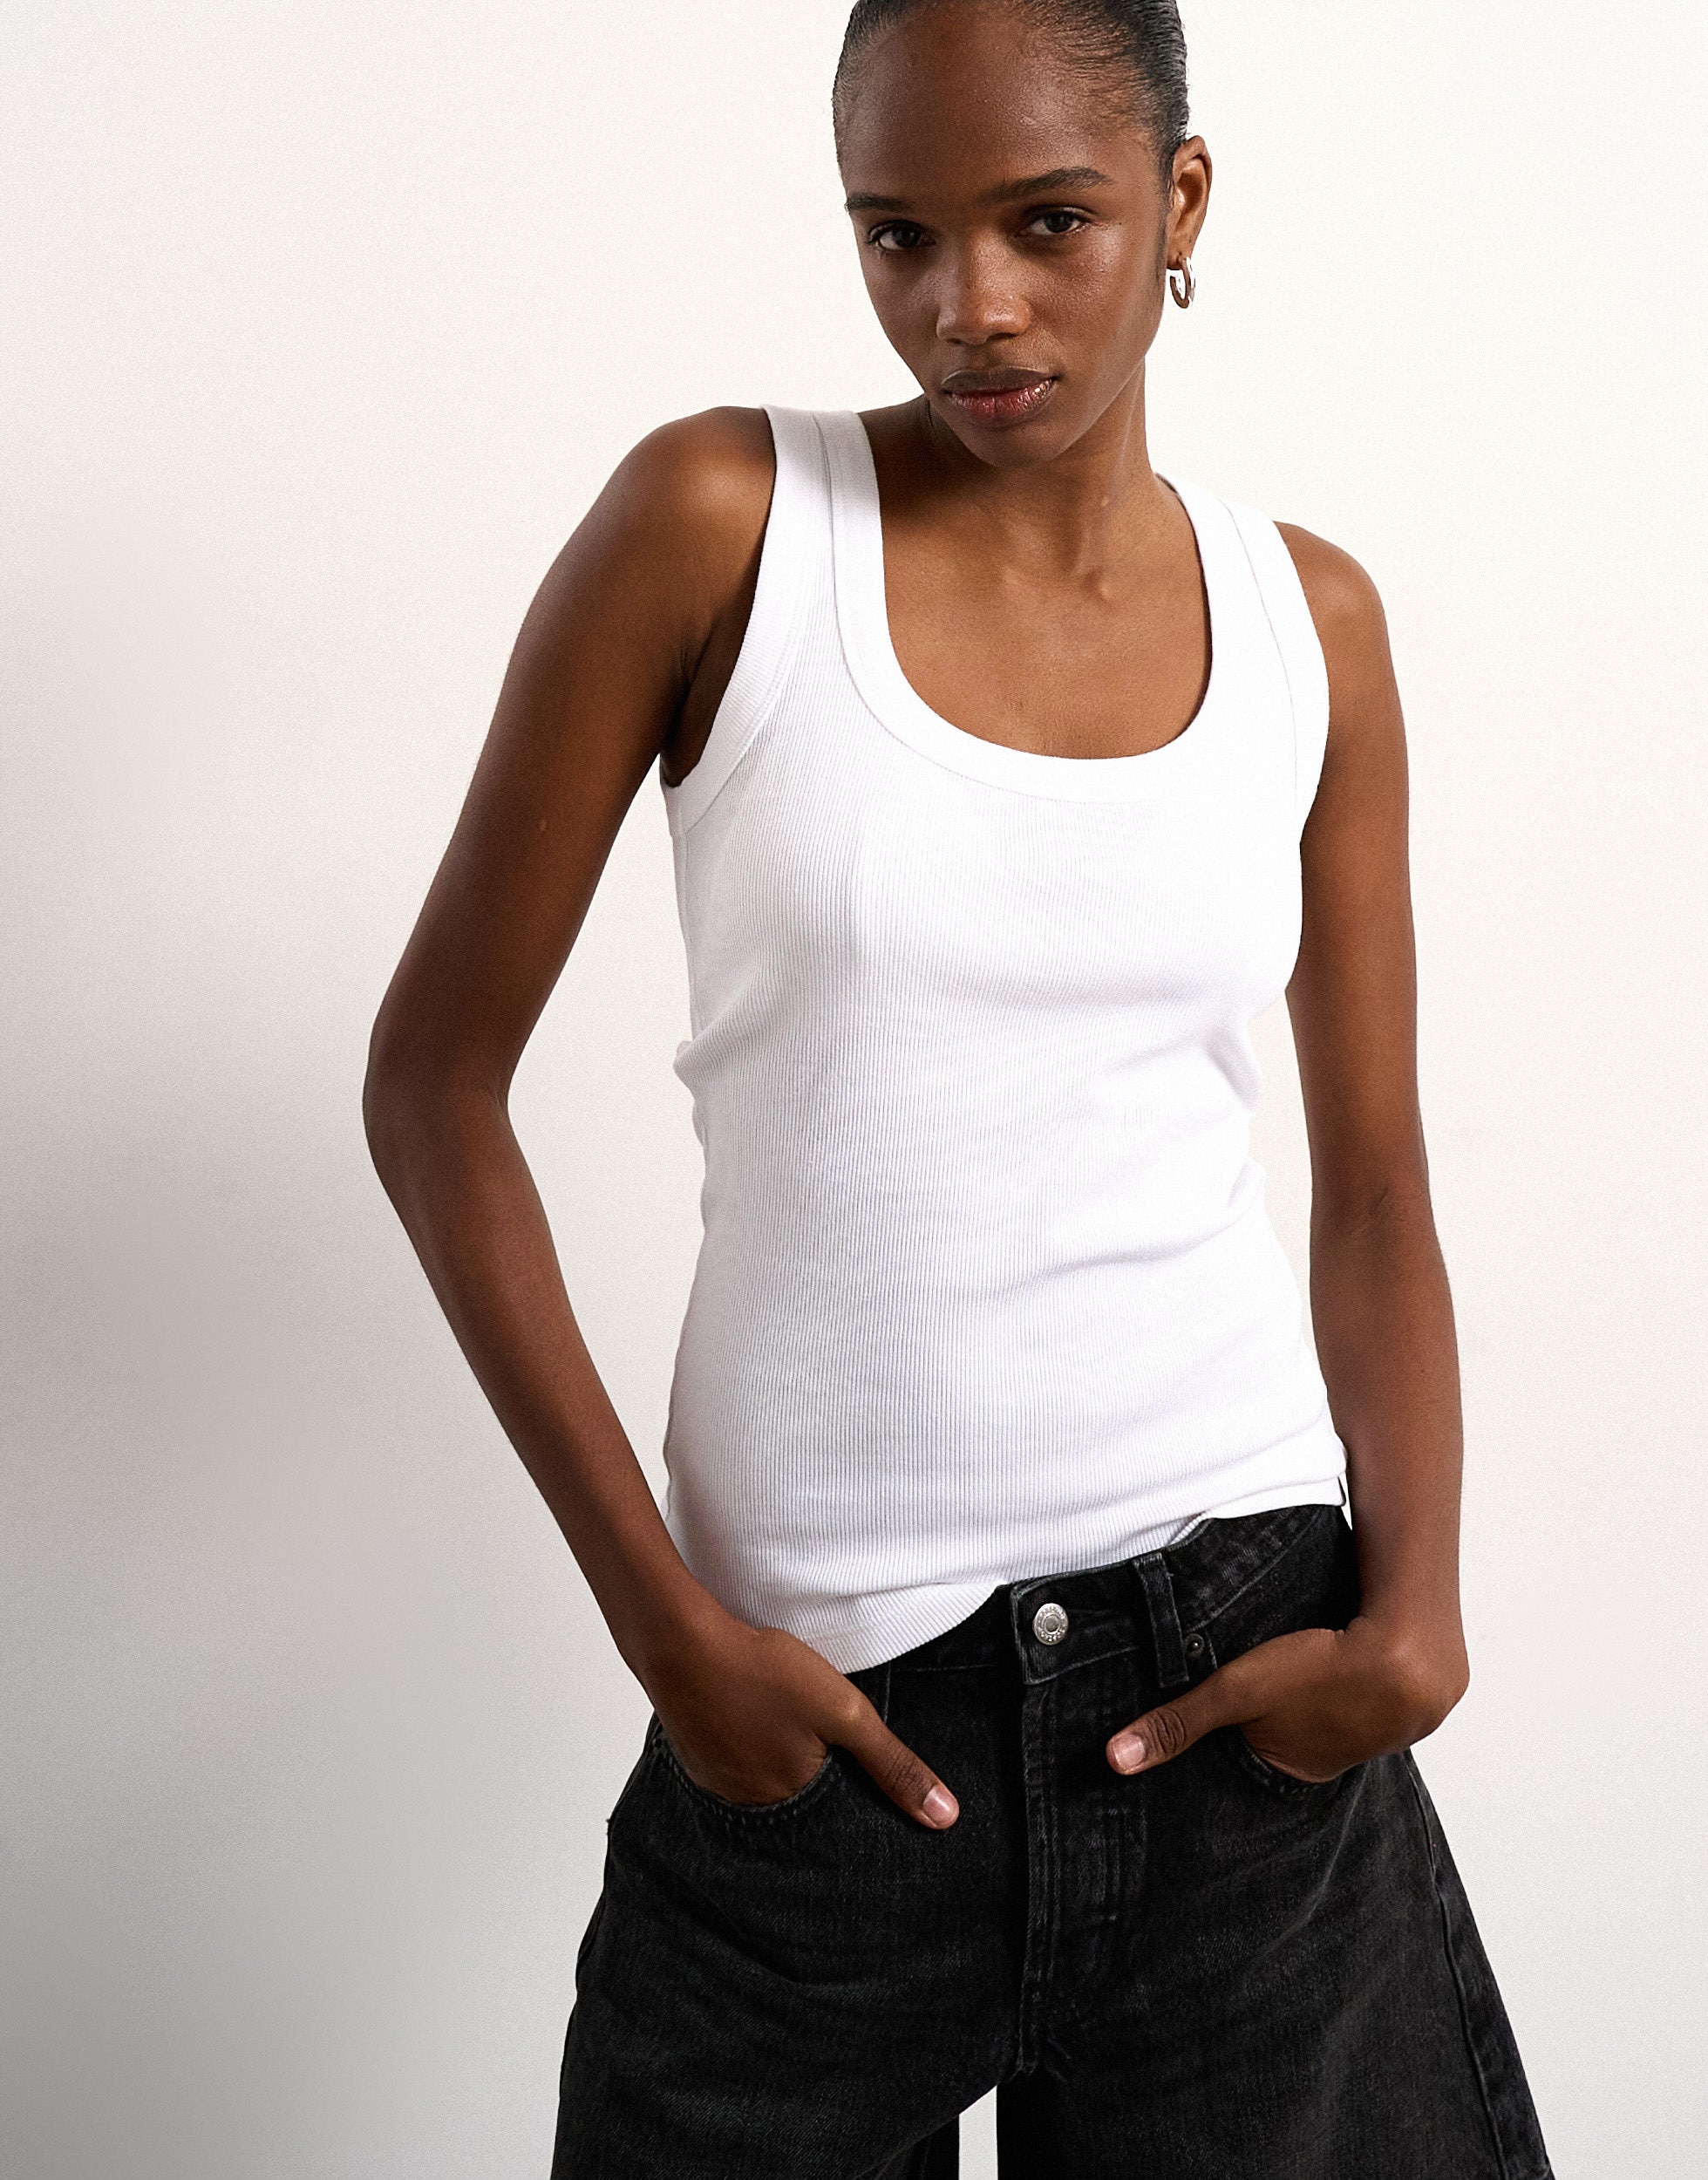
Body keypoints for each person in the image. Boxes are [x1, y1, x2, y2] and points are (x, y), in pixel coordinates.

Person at [364, 1, 1554, 2172]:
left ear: (1179, 201)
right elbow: (434, 1085)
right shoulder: (723, 524)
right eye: (895, 233)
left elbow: (1372, 1174)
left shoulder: (1309, 624)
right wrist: (667, 1628)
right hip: (825, 1733)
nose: (965, 305)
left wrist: (1414, 1619)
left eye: (1046, 222)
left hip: (1235, 1691)